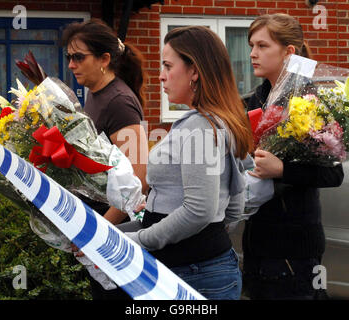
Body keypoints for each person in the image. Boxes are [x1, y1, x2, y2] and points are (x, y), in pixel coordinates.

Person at [124, 25, 254, 300]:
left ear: (194, 70)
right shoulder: (216, 119)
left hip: (193, 272)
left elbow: (199, 211)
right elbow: (233, 204)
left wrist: (138, 240)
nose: (161, 76)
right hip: (203, 266)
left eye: (168, 66)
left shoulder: (200, 127)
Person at [241, 13, 344, 300]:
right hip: (257, 239)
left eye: (262, 46)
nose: (252, 54)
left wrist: (282, 169)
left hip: (295, 248)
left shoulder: (308, 101)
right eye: (251, 45)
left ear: (289, 52)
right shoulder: (258, 96)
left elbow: (334, 174)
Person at [61, 18, 149, 300]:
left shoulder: (119, 101)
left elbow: (140, 178)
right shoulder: (96, 95)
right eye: (69, 57)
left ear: (104, 59)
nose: (71, 65)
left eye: (78, 57)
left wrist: (99, 232)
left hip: (112, 235)